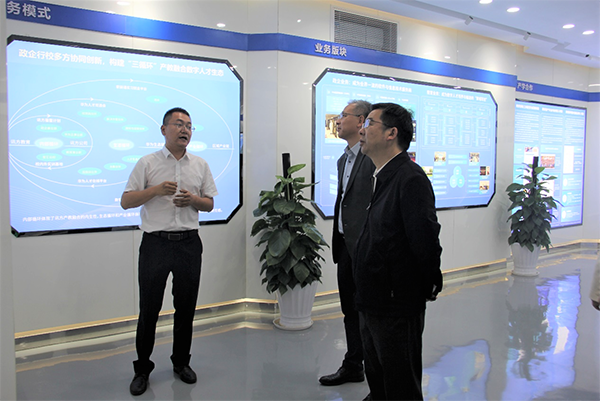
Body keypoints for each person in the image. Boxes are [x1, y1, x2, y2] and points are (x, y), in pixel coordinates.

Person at [121, 107, 218, 396]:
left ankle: (181, 363)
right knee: (149, 309)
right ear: (164, 130)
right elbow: (126, 201)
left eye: (189, 125)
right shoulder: (147, 163)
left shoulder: (200, 164)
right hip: (156, 244)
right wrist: (156, 190)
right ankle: (142, 369)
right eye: (178, 124)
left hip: (189, 243)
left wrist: (193, 200)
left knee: (186, 308)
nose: (185, 129)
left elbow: (209, 204)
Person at [353, 103, 443, 401]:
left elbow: (425, 240)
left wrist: (423, 286)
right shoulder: (382, 175)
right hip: (373, 298)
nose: (362, 129)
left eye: (370, 123)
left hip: (396, 303)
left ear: (391, 133)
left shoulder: (410, 178)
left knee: (400, 383)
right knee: (378, 379)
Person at [319, 100, 375, 386]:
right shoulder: (344, 159)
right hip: (345, 246)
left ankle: (377, 377)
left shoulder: (372, 158)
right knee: (350, 310)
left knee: (369, 312)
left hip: (366, 248)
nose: (338, 121)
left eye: (343, 116)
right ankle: (354, 364)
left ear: (361, 121)